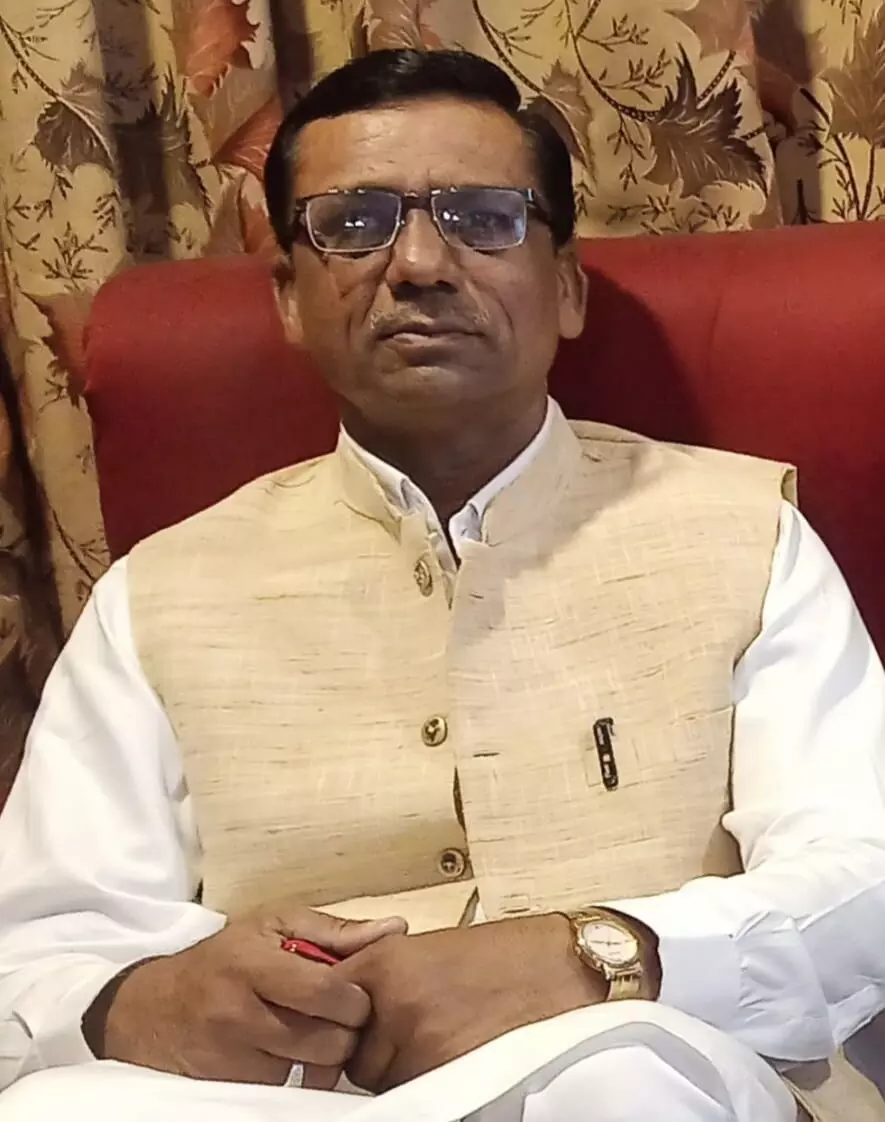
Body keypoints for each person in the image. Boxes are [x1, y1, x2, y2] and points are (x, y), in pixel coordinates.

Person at [1, 47, 885, 1122]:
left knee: (621, 1077)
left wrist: (600, 954)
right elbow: (38, 944)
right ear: (288, 299)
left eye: (484, 218)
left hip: (638, 1066)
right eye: (354, 223)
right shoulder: (158, 592)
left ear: (565, 288)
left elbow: (863, 879)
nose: (418, 263)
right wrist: (139, 1003)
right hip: (286, 1101)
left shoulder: (745, 533)